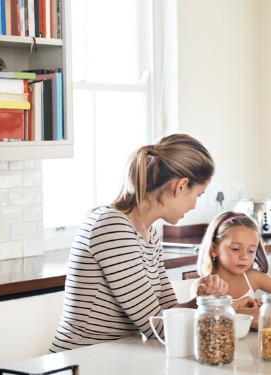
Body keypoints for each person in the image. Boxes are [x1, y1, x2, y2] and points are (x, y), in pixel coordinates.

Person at [51, 134, 227, 352]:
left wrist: (202, 300)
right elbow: (157, 327)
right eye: (198, 195)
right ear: (180, 186)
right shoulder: (112, 227)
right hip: (82, 361)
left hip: (115, 357)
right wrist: (208, 306)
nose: (194, 205)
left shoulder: (148, 233)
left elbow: (168, 310)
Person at [192, 210, 271, 329]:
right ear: (214, 249)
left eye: (251, 251)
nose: (244, 256)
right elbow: (205, 319)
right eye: (235, 249)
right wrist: (247, 311)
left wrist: (269, 305)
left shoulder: (252, 277)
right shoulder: (205, 286)